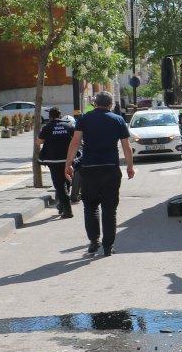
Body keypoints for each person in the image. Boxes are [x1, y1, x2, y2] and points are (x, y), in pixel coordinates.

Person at [64, 91, 134, 257]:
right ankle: (108, 247)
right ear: (110, 104)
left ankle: (94, 241)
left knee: (90, 206)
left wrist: (68, 164)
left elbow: (75, 143)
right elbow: (126, 147)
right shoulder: (118, 120)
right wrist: (130, 167)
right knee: (110, 209)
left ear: (95, 103)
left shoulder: (84, 119)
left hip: (89, 168)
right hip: (111, 168)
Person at [37, 107, 76, 218]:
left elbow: (39, 142)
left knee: (59, 185)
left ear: (50, 116)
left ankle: (67, 210)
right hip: (68, 159)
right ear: (60, 115)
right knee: (66, 183)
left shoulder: (47, 127)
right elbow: (77, 140)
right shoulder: (69, 125)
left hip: (54, 160)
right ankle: (62, 205)